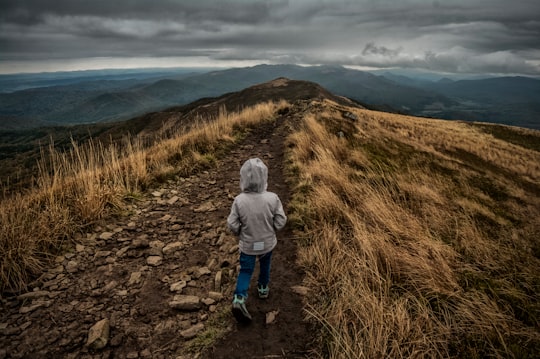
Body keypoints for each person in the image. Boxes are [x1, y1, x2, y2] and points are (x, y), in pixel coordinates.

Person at [227, 157, 287, 323]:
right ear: (264, 177)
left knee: (246, 270)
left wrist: (240, 232)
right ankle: (262, 288)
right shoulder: (273, 198)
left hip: (248, 245)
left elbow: (232, 223)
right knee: (265, 265)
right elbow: (281, 220)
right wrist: (272, 229)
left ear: (243, 178)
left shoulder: (239, 201)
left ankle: (239, 299)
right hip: (267, 243)